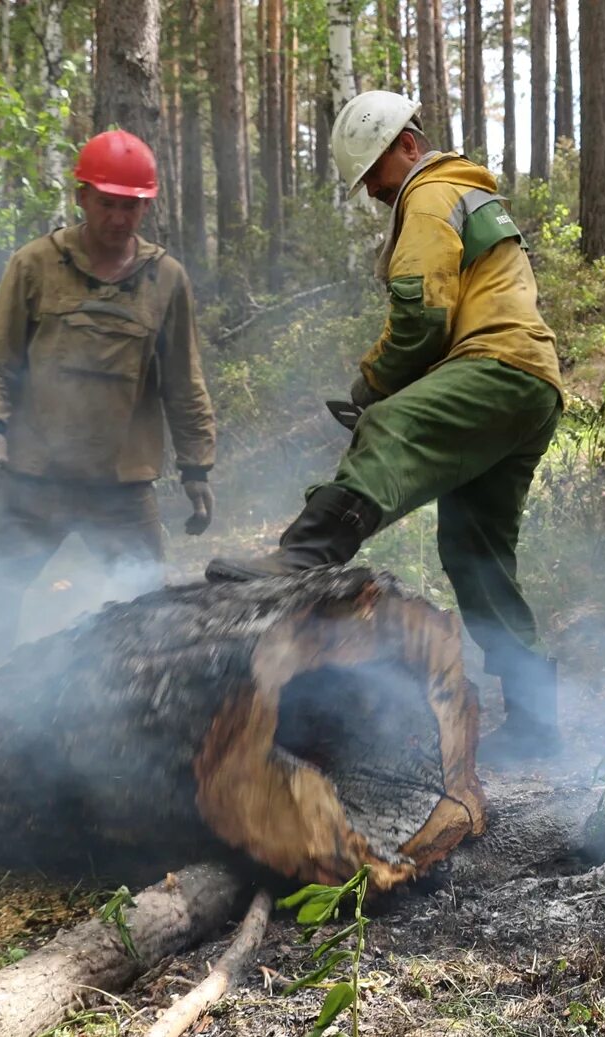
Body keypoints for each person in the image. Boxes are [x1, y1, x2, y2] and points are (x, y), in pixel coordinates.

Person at [206, 91, 565, 762]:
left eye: (374, 169)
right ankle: (538, 718)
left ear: (406, 143)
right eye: (365, 177)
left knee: (390, 426)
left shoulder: (429, 195)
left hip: (497, 368)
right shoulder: (460, 191)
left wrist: (371, 386)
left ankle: (302, 555)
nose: (372, 188)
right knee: (474, 554)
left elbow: (423, 316)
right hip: (532, 384)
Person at [0, 129, 217, 662]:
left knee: (148, 613)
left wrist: (196, 468)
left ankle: (135, 725)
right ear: (81, 196)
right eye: (107, 204)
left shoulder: (165, 279)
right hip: (34, 481)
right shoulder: (35, 265)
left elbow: (183, 382)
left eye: (132, 206)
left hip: (120, 491)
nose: (120, 218)